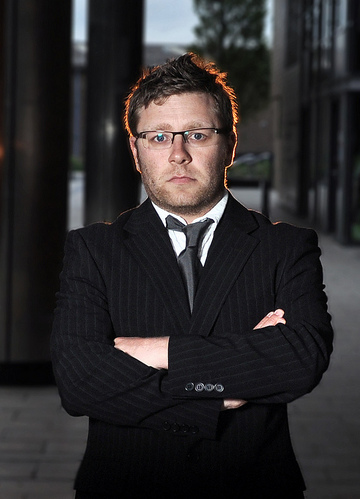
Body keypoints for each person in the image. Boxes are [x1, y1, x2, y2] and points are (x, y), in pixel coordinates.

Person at [51, 52, 333, 498]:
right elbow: (79, 381)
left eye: (197, 135)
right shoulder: (93, 249)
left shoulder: (285, 247)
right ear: (135, 150)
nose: (178, 154)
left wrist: (155, 350)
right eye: (159, 136)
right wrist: (218, 396)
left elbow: (300, 361)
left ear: (230, 144)